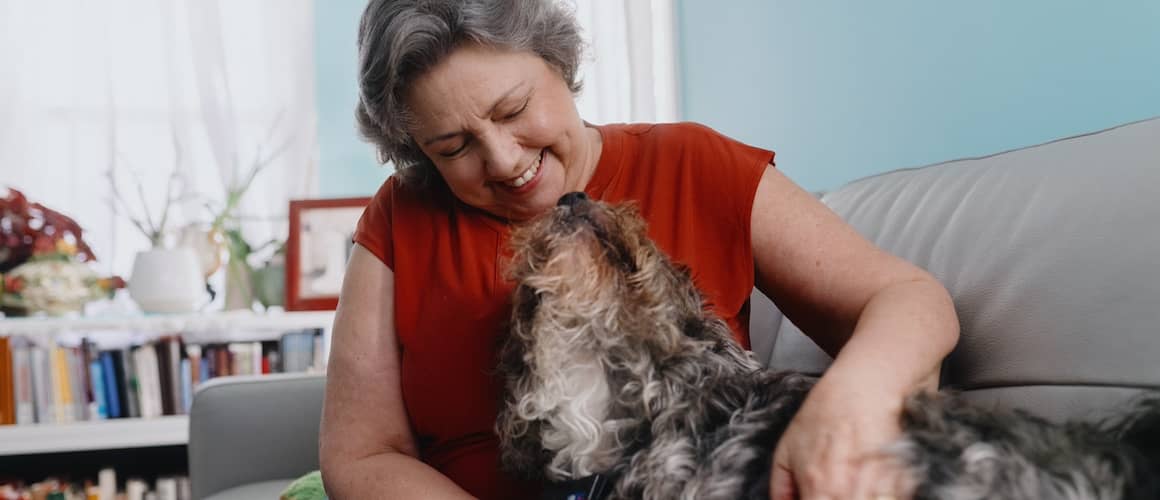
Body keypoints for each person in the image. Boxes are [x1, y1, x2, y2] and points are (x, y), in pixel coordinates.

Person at [319, 1, 960, 499]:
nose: (504, 159)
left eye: (514, 109)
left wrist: (852, 401)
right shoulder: (403, 214)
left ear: (556, 62)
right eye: (453, 147)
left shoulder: (692, 163)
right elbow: (362, 454)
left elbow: (906, 298)